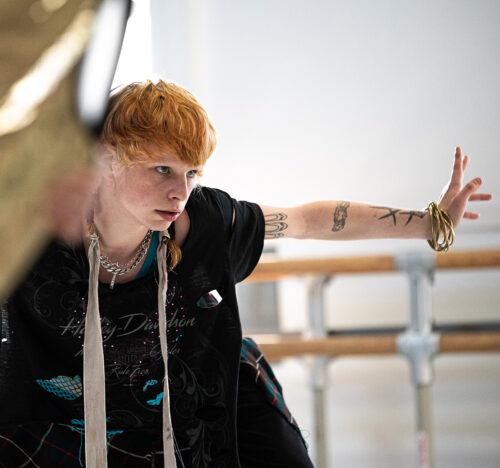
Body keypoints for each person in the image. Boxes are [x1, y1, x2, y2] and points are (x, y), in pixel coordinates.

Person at [0, 80, 491, 468]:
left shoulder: (209, 223)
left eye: (192, 173)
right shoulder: (32, 230)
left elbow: (308, 219)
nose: (180, 192)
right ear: (108, 159)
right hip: (65, 410)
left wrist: (430, 223)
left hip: (206, 392)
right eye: (162, 170)